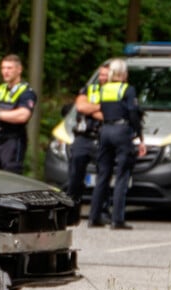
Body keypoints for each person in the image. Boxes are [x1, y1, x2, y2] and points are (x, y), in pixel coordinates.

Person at [86, 58, 146, 229]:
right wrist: (139, 136)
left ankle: (94, 216)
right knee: (122, 175)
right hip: (121, 130)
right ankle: (117, 219)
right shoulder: (128, 89)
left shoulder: (104, 89)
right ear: (125, 73)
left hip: (105, 131)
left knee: (103, 174)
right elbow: (133, 113)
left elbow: (101, 108)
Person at [67, 63, 110, 219]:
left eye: (106, 75)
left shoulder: (116, 92)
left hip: (102, 137)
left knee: (104, 177)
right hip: (83, 137)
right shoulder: (89, 89)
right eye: (101, 74)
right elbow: (81, 106)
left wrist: (92, 109)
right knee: (74, 177)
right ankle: (71, 212)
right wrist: (100, 107)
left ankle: (101, 212)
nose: (103, 78)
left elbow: (110, 115)